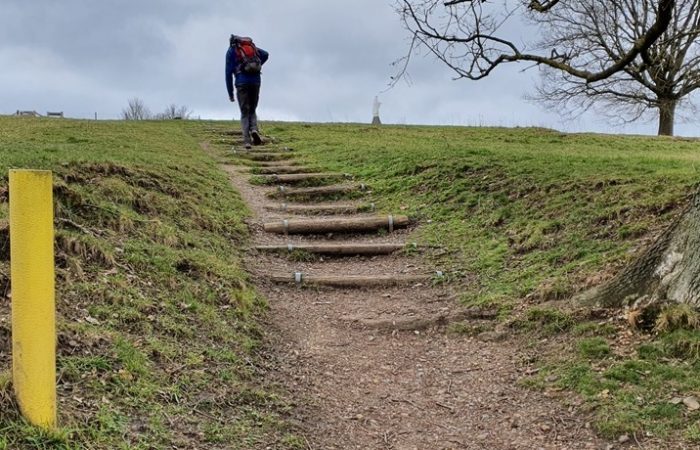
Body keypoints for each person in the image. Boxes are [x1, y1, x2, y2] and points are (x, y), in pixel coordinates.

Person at [225, 35, 269, 149]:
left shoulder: (231, 52)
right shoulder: (251, 48)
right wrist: (255, 66)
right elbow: (265, 54)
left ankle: (247, 141)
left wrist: (230, 93)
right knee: (253, 109)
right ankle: (254, 129)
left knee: (245, 112)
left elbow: (228, 74)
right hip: (255, 82)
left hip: (241, 83)